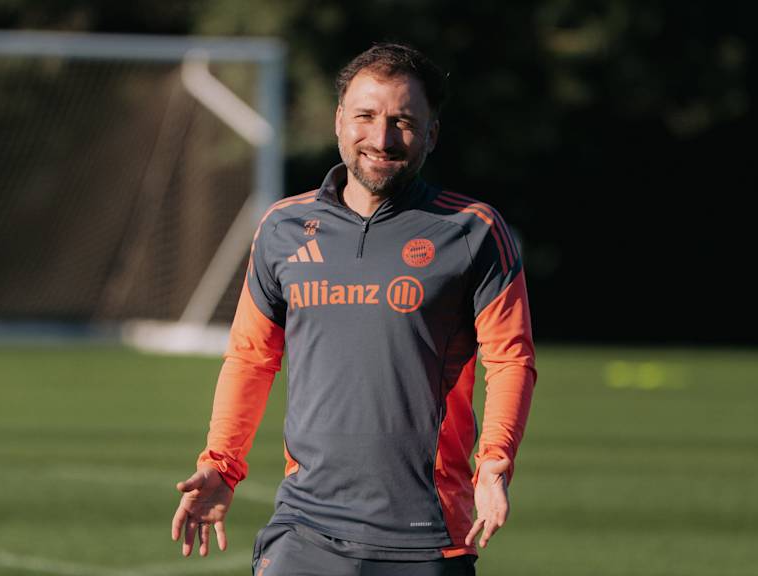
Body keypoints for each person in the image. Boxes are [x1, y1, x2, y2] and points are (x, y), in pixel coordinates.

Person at [171, 42, 536, 576]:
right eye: (365, 116)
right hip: (305, 528)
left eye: (403, 122)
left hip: (427, 535)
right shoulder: (282, 227)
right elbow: (251, 357)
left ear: (432, 134)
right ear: (339, 120)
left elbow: (510, 359)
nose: (381, 138)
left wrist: (494, 464)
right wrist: (221, 465)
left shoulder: (473, 231)